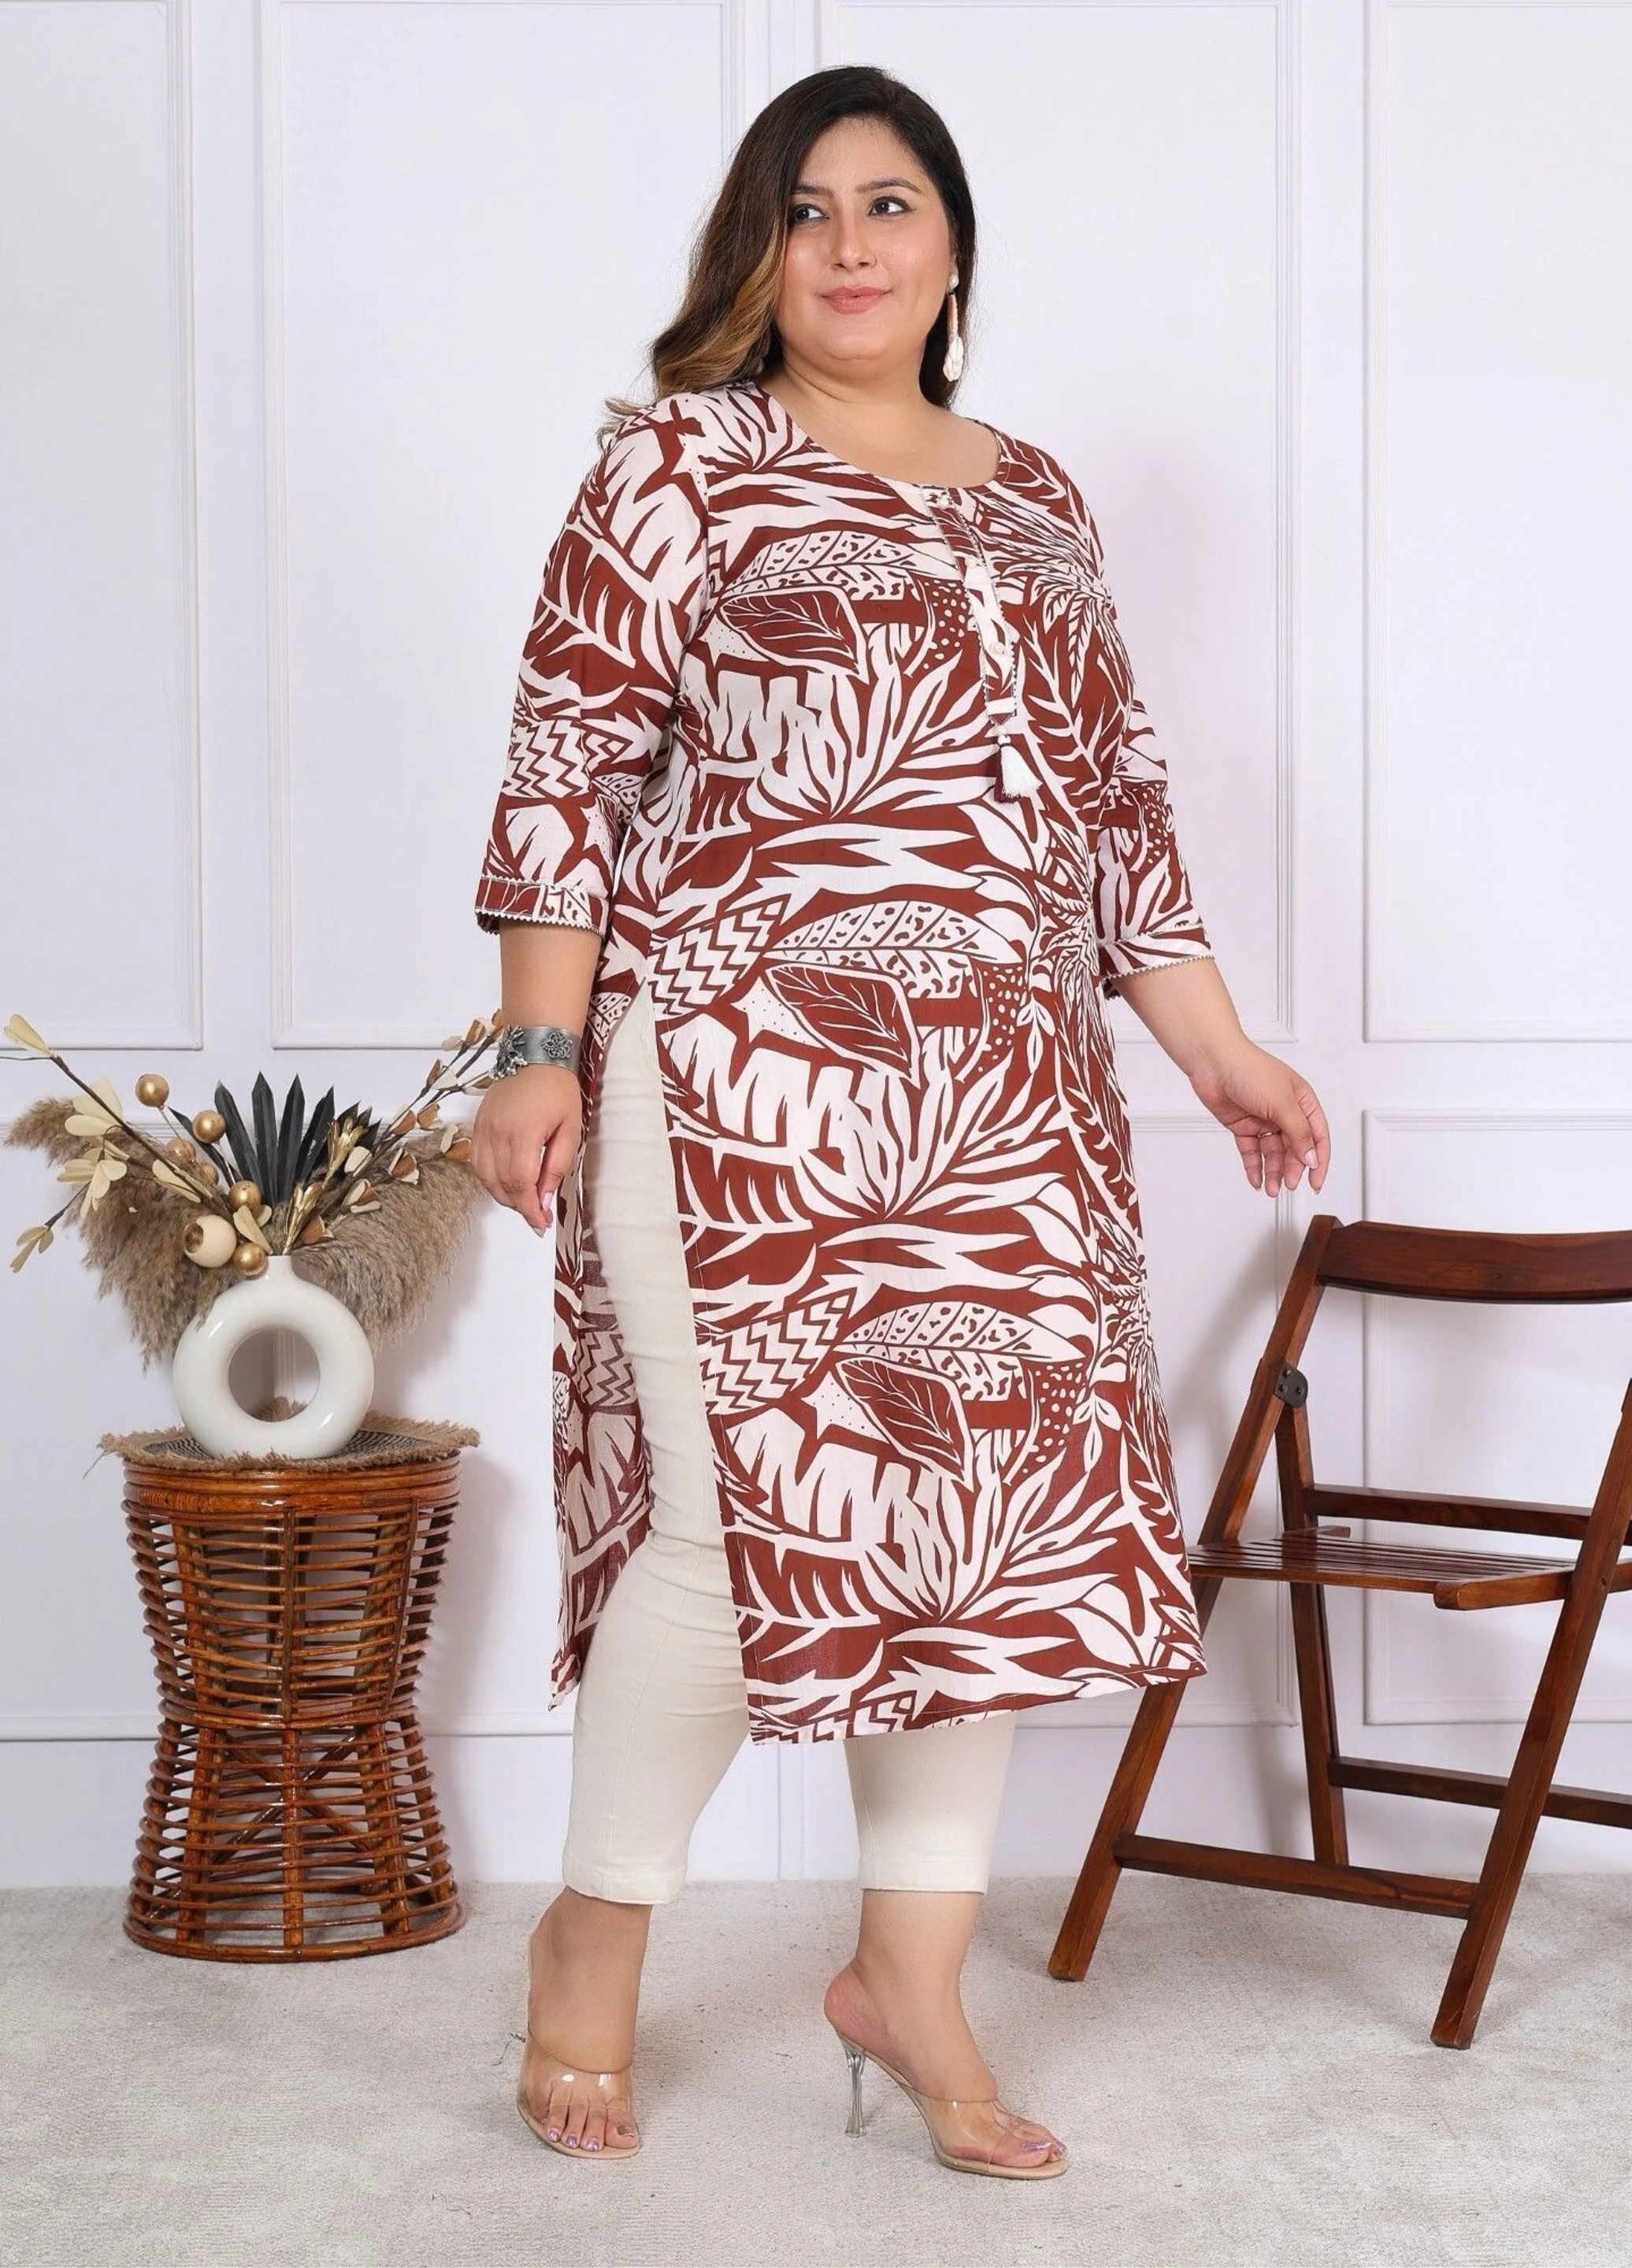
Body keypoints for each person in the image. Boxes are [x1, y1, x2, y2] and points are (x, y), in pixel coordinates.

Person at [469, 63, 1330, 2181]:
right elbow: (567, 763)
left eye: (890, 204)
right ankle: (595, 1935)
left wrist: (1217, 1048)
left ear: (952, 247)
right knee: (724, 1521)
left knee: (980, 1526)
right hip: (734, 1079)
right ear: (753, 253)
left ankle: (913, 1977)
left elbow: (1112, 805)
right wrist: (534, 1048)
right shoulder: (676, 465)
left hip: (1004, 1096)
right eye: (806, 209)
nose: (849, 245)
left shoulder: (1038, 497)